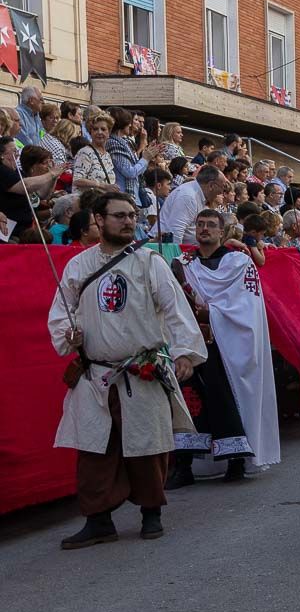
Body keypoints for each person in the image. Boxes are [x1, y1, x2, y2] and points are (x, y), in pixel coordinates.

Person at [48, 192, 207, 549]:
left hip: (142, 368)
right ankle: (98, 520)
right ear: (99, 220)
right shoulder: (79, 266)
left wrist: (183, 353)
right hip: (96, 373)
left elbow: (176, 307)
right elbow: (63, 309)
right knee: (93, 449)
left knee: (148, 447)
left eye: (132, 216)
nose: (128, 222)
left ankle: (151, 513)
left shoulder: (149, 262)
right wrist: (67, 333)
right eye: (119, 216)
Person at [166, 208, 278, 487]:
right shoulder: (182, 263)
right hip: (190, 342)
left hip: (227, 343)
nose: (204, 229)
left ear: (221, 232)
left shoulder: (239, 262)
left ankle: (235, 460)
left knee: (226, 400)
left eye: (211, 225)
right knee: (189, 402)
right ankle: (184, 465)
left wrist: (211, 314)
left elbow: (247, 305)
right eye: (200, 224)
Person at [0, 135, 64, 240]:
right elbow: (25, 186)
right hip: (11, 232)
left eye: (17, 152)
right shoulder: (2, 171)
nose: (16, 155)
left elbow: (41, 194)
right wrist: (51, 174)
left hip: (25, 228)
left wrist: (54, 178)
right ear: (1, 155)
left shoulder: (16, 171)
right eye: (13, 152)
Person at [157, 164, 229, 245]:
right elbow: (175, 233)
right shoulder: (188, 196)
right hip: (165, 250)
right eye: (223, 187)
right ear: (211, 185)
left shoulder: (198, 195)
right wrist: (177, 257)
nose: (222, 193)